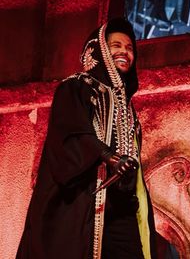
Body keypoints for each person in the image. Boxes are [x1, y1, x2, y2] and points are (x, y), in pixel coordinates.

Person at [16, 18, 171, 259]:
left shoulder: (128, 109)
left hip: (121, 208)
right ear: (99, 50)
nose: (124, 52)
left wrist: (126, 172)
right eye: (116, 45)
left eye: (130, 48)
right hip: (82, 201)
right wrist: (108, 157)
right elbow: (70, 135)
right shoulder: (76, 87)